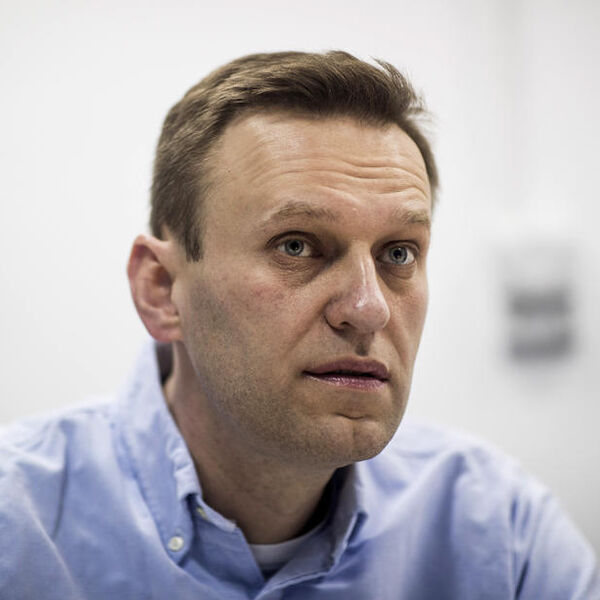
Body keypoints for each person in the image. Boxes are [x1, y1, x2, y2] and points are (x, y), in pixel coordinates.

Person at [0, 51, 598, 600]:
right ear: (161, 289)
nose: (368, 308)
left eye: (398, 253)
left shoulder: (499, 533)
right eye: (297, 246)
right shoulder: (20, 528)